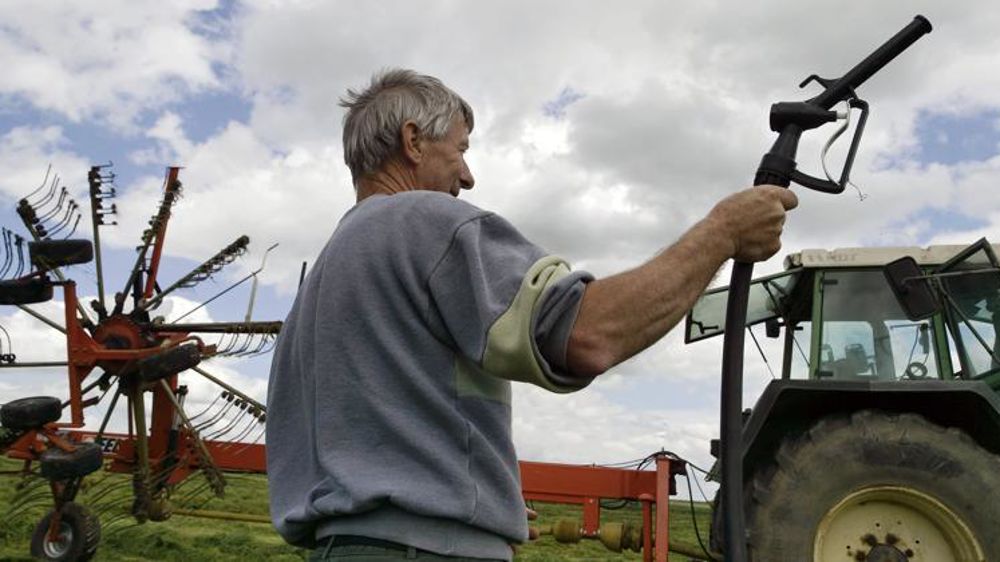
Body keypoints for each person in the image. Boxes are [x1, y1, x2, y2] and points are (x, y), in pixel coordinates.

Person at [266, 68, 797, 561]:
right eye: (460, 149)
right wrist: (721, 233)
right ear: (412, 141)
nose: (468, 177)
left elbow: (372, 433)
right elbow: (585, 334)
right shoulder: (426, 221)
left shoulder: (326, 275)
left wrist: (469, 495)